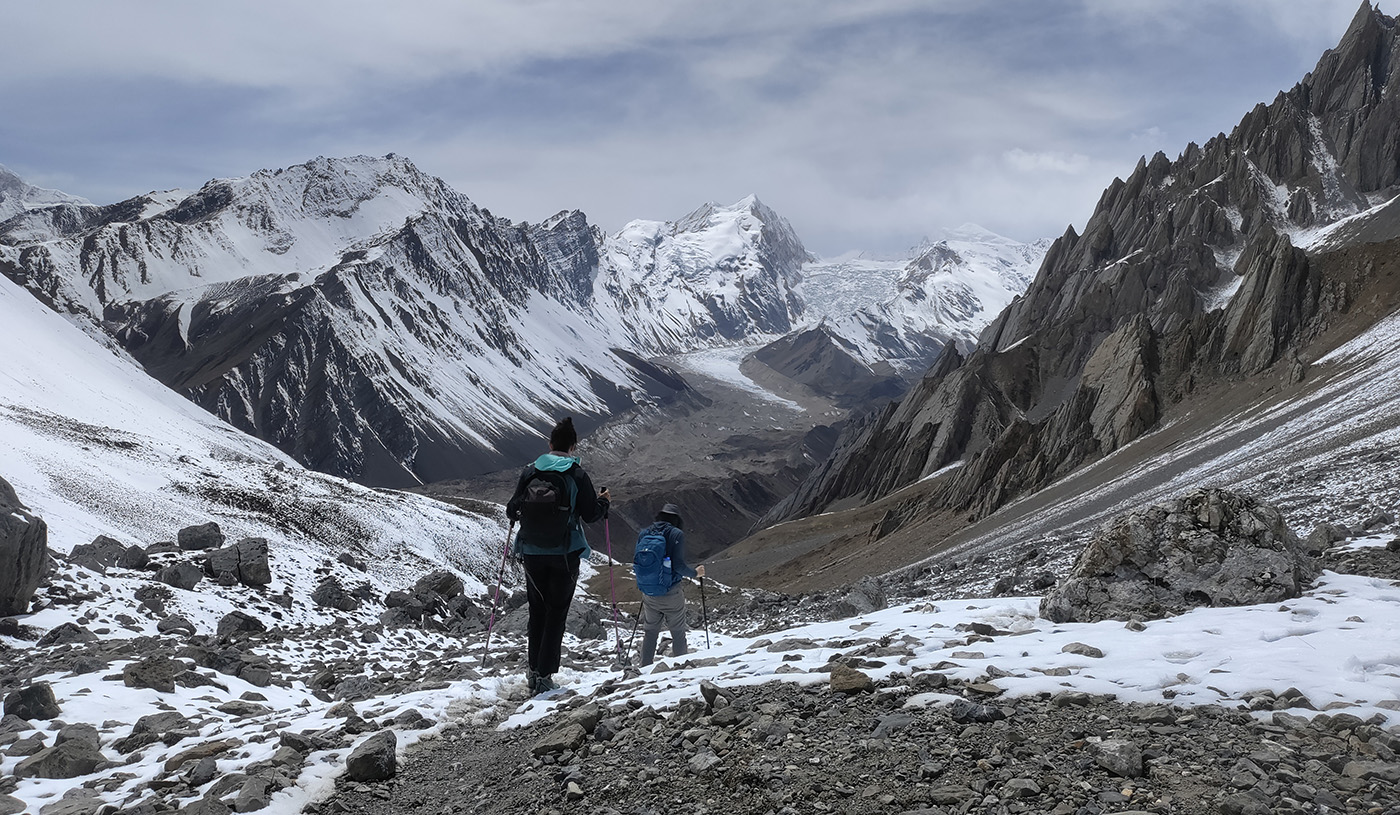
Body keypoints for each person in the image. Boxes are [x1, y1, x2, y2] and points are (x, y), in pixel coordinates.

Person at [506, 416, 609, 694]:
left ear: (550, 443)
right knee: (556, 613)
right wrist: (604, 502)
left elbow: (511, 508)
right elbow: (590, 514)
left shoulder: (530, 472)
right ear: (573, 447)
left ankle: (532, 671)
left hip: (531, 552)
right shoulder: (576, 475)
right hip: (564, 554)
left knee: (537, 611)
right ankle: (545, 676)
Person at [635, 503, 704, 667]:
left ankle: (644, 669)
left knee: (650, 632)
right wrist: (696, 573)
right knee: (678, 631)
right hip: (671, 592)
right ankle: (681, 668)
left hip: (649, 592)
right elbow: (678, 566)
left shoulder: (644, 533)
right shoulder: (676, 534)